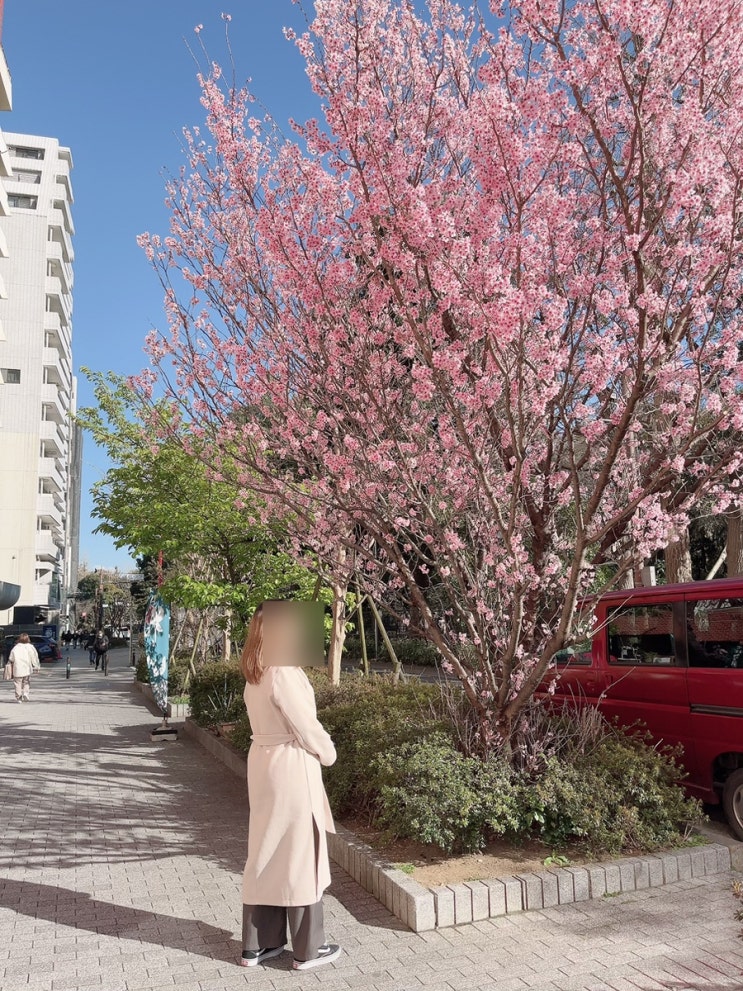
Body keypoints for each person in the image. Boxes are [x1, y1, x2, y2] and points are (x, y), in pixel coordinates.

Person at [240, 602, 341, 971]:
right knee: (300, 854)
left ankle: (259, 944)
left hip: (264, 764)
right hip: (291, 766)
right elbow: (305, 725)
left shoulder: (257, 670)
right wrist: (328, 753)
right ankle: (308, 949)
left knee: (266, 850)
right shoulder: (283, 672)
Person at [9, 633, 40, 703]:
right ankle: (25, 693)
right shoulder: (31, 647)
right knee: (26, 682)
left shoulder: (16, 647)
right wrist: (36, 666)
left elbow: (11, 658)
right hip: (27, 668)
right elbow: (34, 657)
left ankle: (19, 697)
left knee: (17, 683)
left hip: (17, 668)